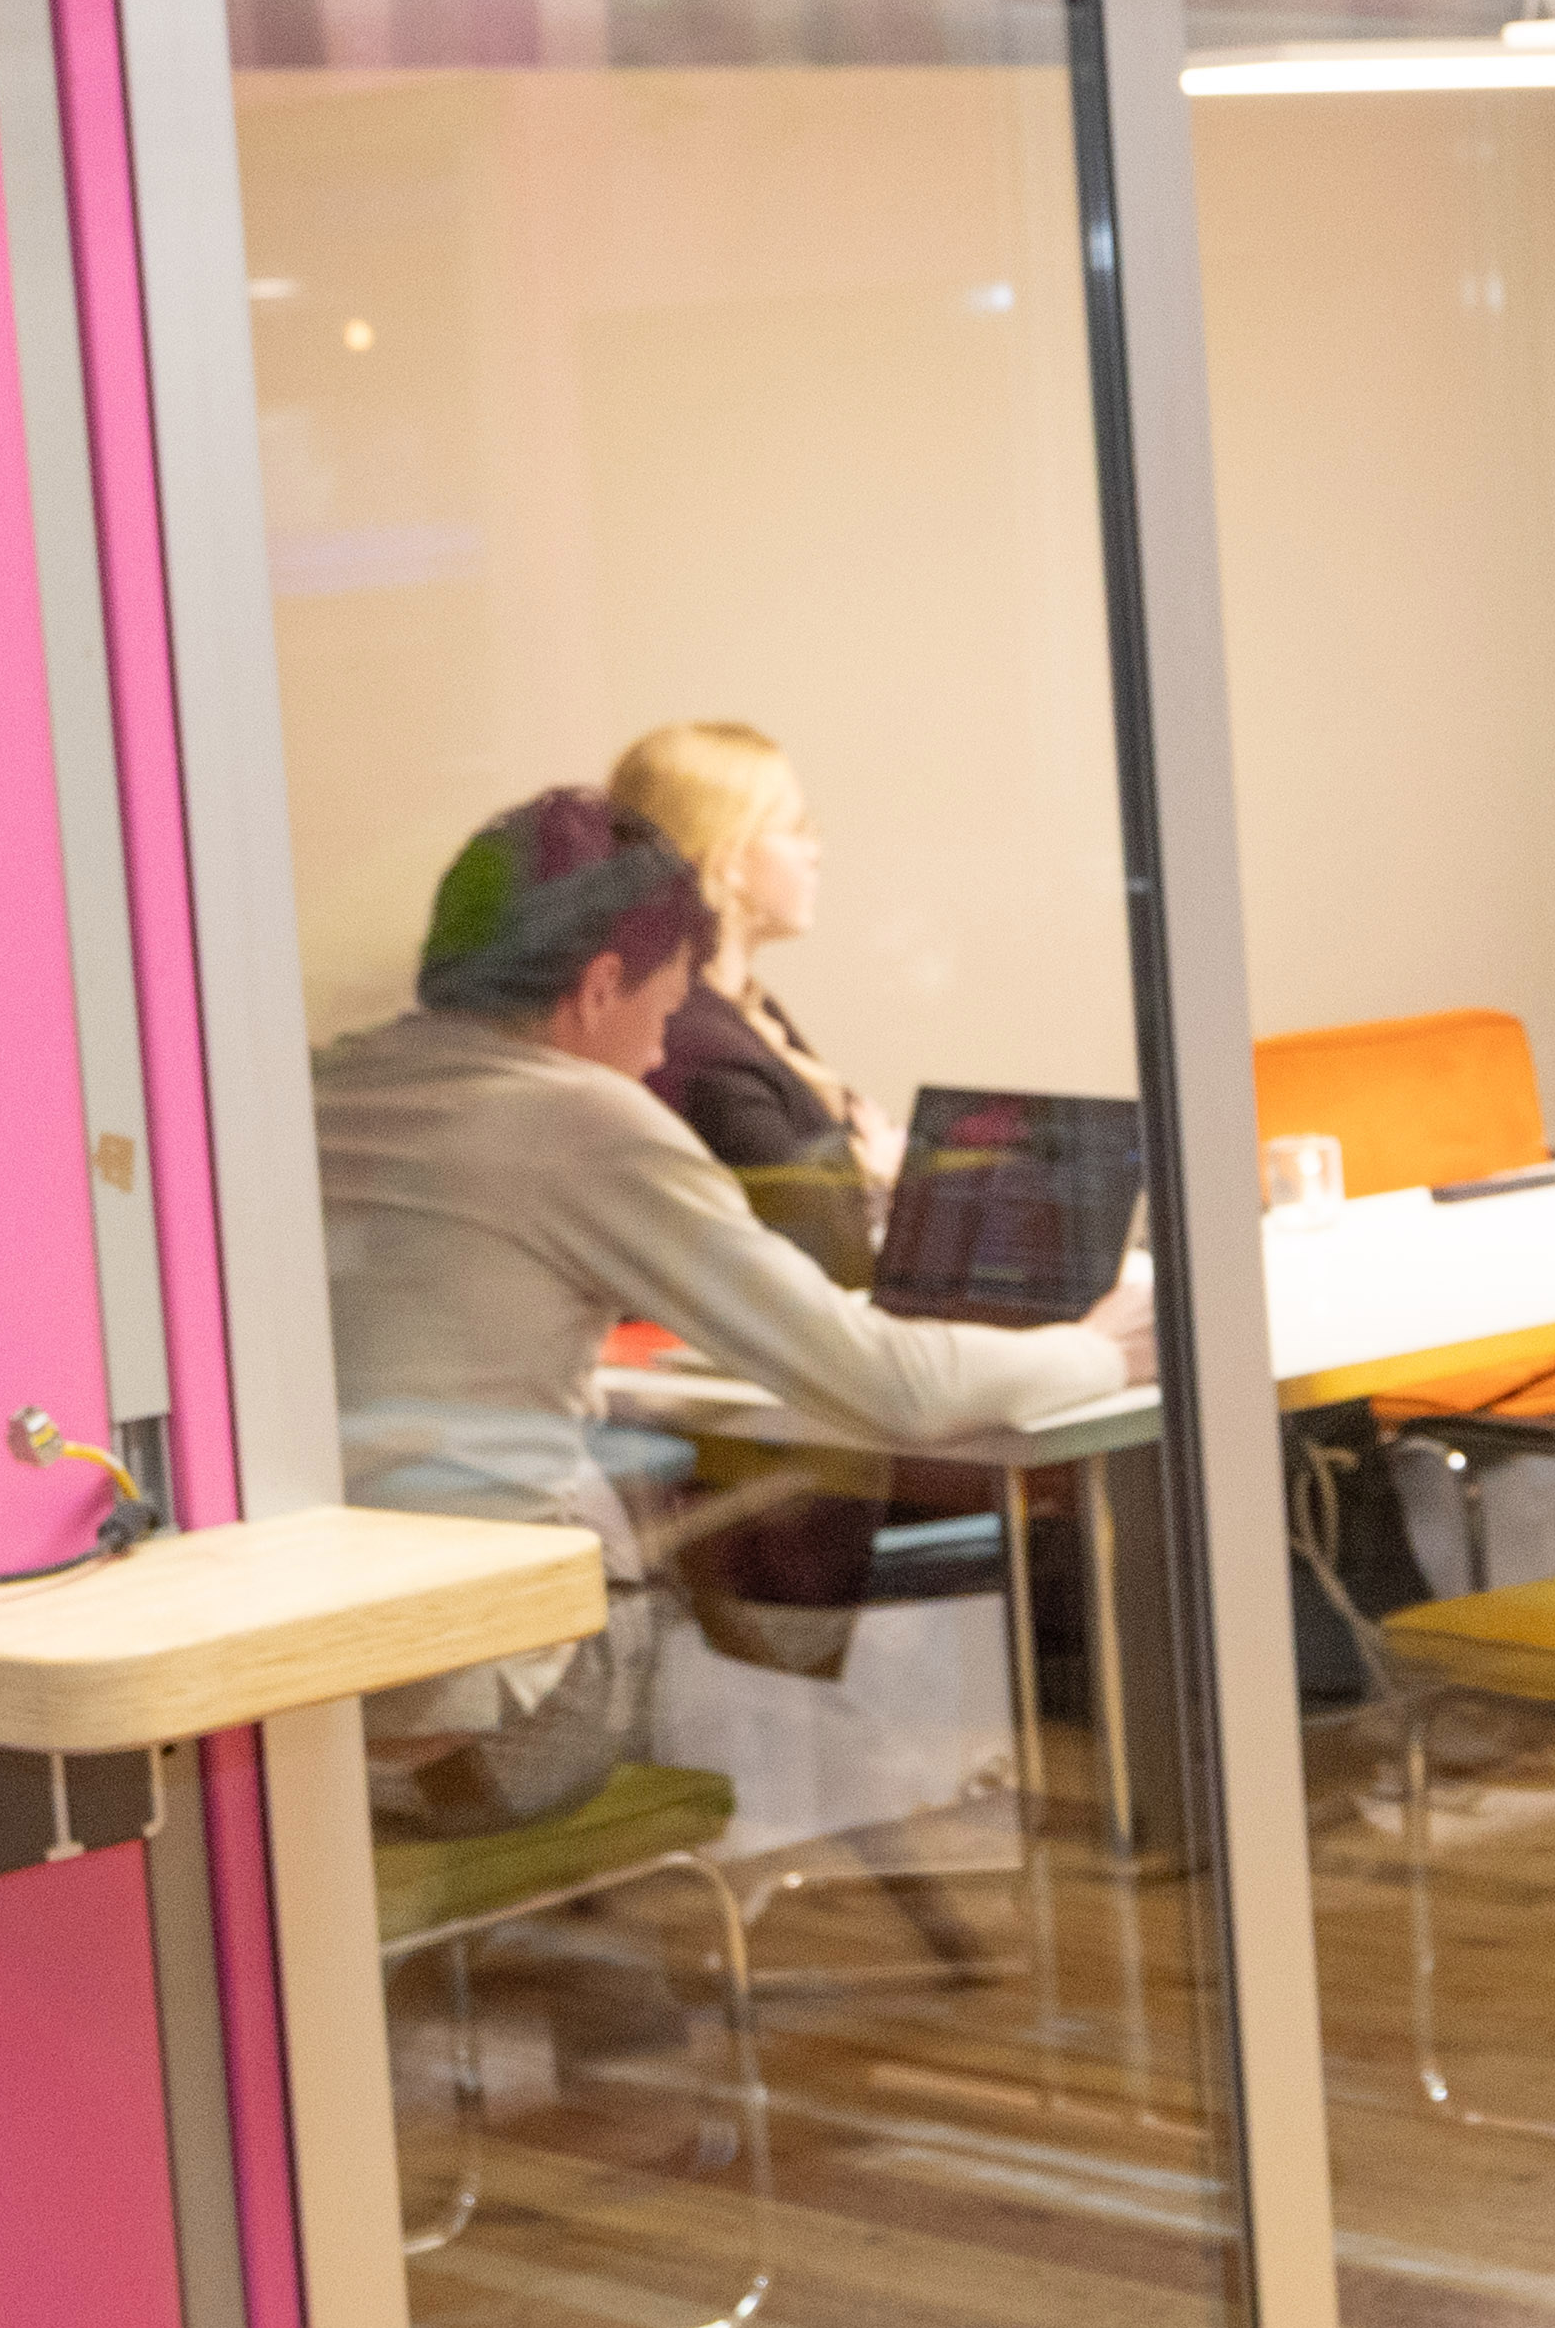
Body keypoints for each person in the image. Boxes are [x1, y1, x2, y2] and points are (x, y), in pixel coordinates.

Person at [315, 787, 1146, 1817]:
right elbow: (886, 1386)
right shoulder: (579, 1121)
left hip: (306, 1712)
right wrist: (1098, 1351)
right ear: (600, 984)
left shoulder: (322, 1085)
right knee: (752, 1611)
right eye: (664, 1012)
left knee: (635, 1507)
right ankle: (877, 1829)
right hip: (486, 1733)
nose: (663, 1054)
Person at [607, 715, 878, 1286]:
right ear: (727, 858)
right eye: (797, 830)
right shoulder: (694, 1040)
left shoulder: (744, 1009)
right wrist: (871, 1174)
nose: (816, 853)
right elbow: (821, 1252)